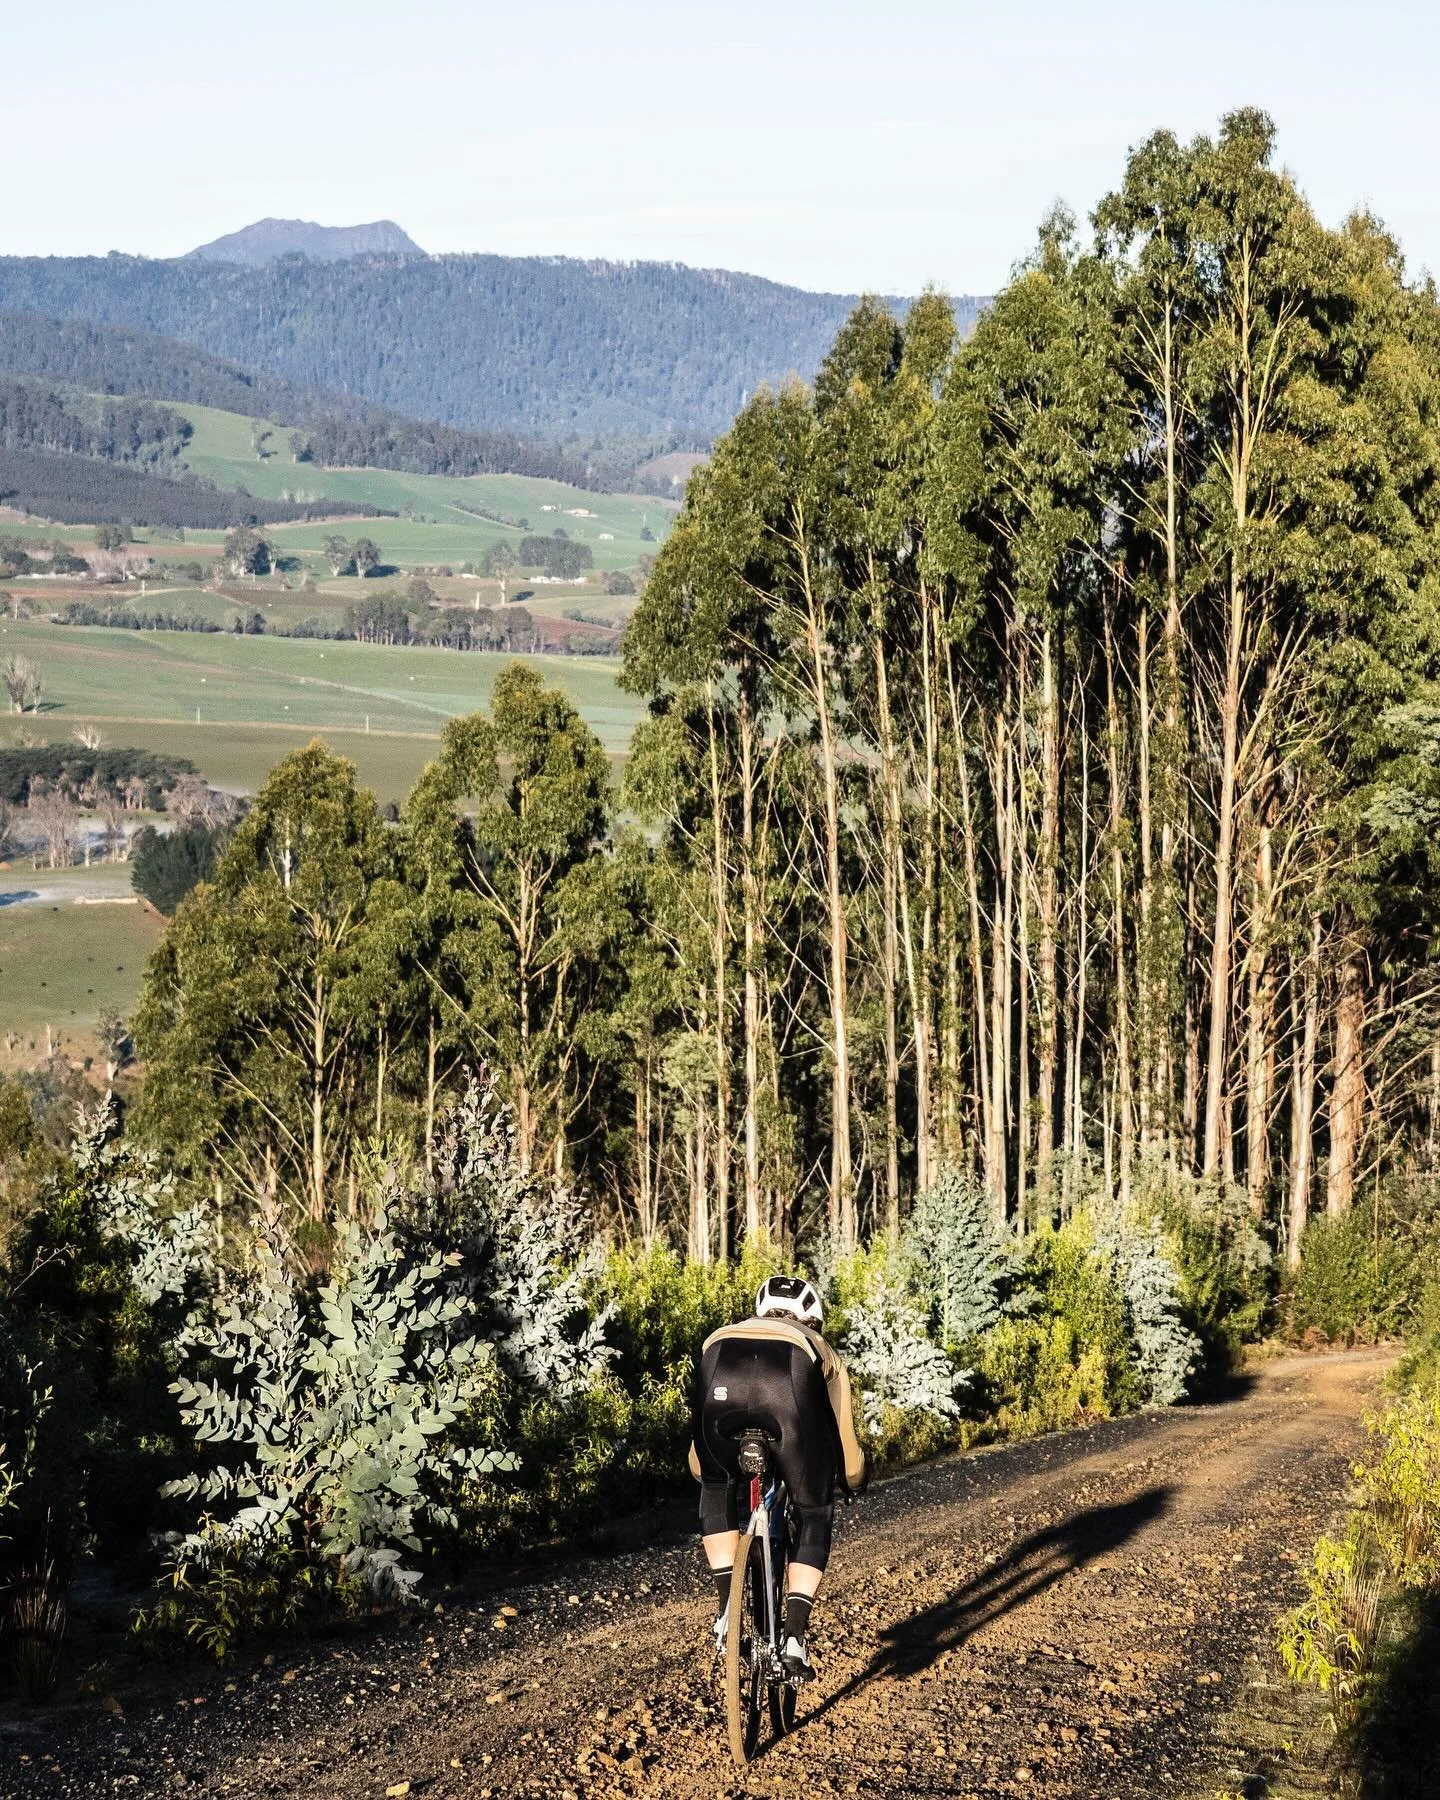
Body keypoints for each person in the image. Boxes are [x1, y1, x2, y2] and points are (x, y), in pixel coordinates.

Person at [689, 1274, 866, 1682]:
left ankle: (728, 1611)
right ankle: (794, 1639)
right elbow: (844, 1441)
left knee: (716, 1487)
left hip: (721, 1369)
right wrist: (853, 1479)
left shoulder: (721, 1335)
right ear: (813, 1317)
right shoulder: (817, 1344)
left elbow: (698, 1457)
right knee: (813, 1511)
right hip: (790, 1380)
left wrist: (711, 1474)